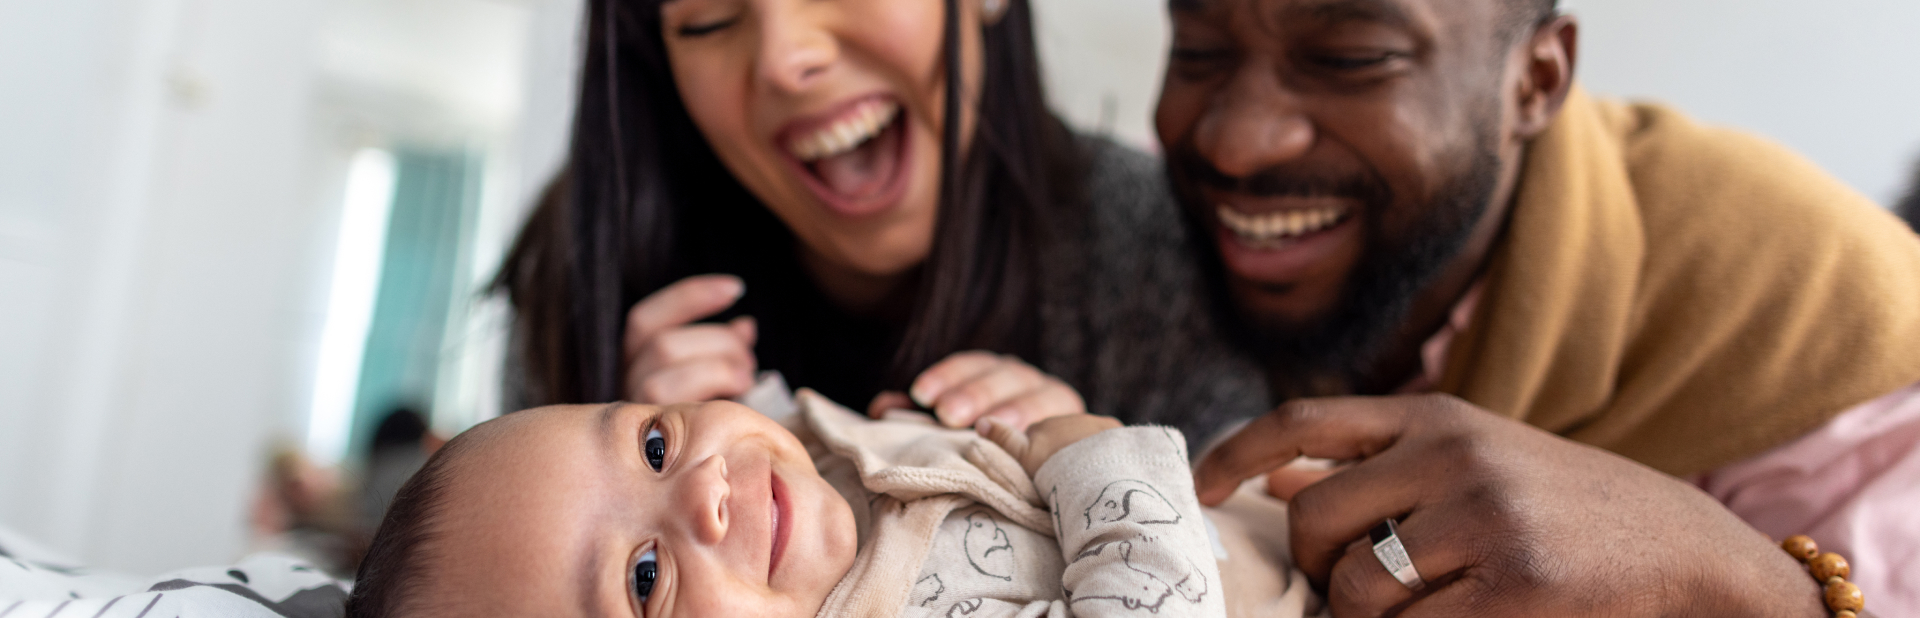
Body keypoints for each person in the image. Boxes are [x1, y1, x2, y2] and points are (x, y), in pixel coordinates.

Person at [1156, 0, 1920, 615]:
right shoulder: (1144, 238)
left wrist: (1719, 578)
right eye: (1197, 50)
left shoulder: (1812, 304)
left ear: (1537, 80)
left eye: (1351, 58)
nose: (1237, 144)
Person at [493, 0, 1264, 441]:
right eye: (708, 18)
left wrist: (1111, 490)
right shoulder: (594, 267)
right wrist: (615, 492)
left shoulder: (1164, 254)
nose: (785, 59)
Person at [345, 394, 1314, 617]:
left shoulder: (810, 462)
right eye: (644, 580)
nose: (702, 490)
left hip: (1287, 508)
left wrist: (1007, 406)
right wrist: (1092, 460)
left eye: (654, 446)